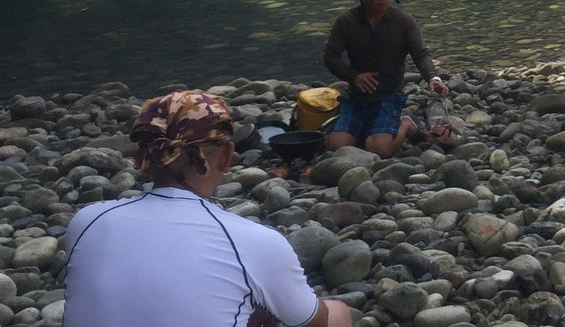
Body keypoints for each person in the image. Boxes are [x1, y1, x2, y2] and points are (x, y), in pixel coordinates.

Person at [63, 90, 352, 327]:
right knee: (337, 314)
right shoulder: (255, 242)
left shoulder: (86, 221)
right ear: (227, 156)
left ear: (141, 159)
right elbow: (315, 322)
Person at [323, 0, 449, 157]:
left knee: (379, 150)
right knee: (335, 145)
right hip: (357, 96)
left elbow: (421, 54)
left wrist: (433, 78)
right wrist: (354, 76)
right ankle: (368, 129)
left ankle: (405, 124)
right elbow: (330, 56)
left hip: (388, 96)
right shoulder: (347, 21)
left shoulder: (404, 21)